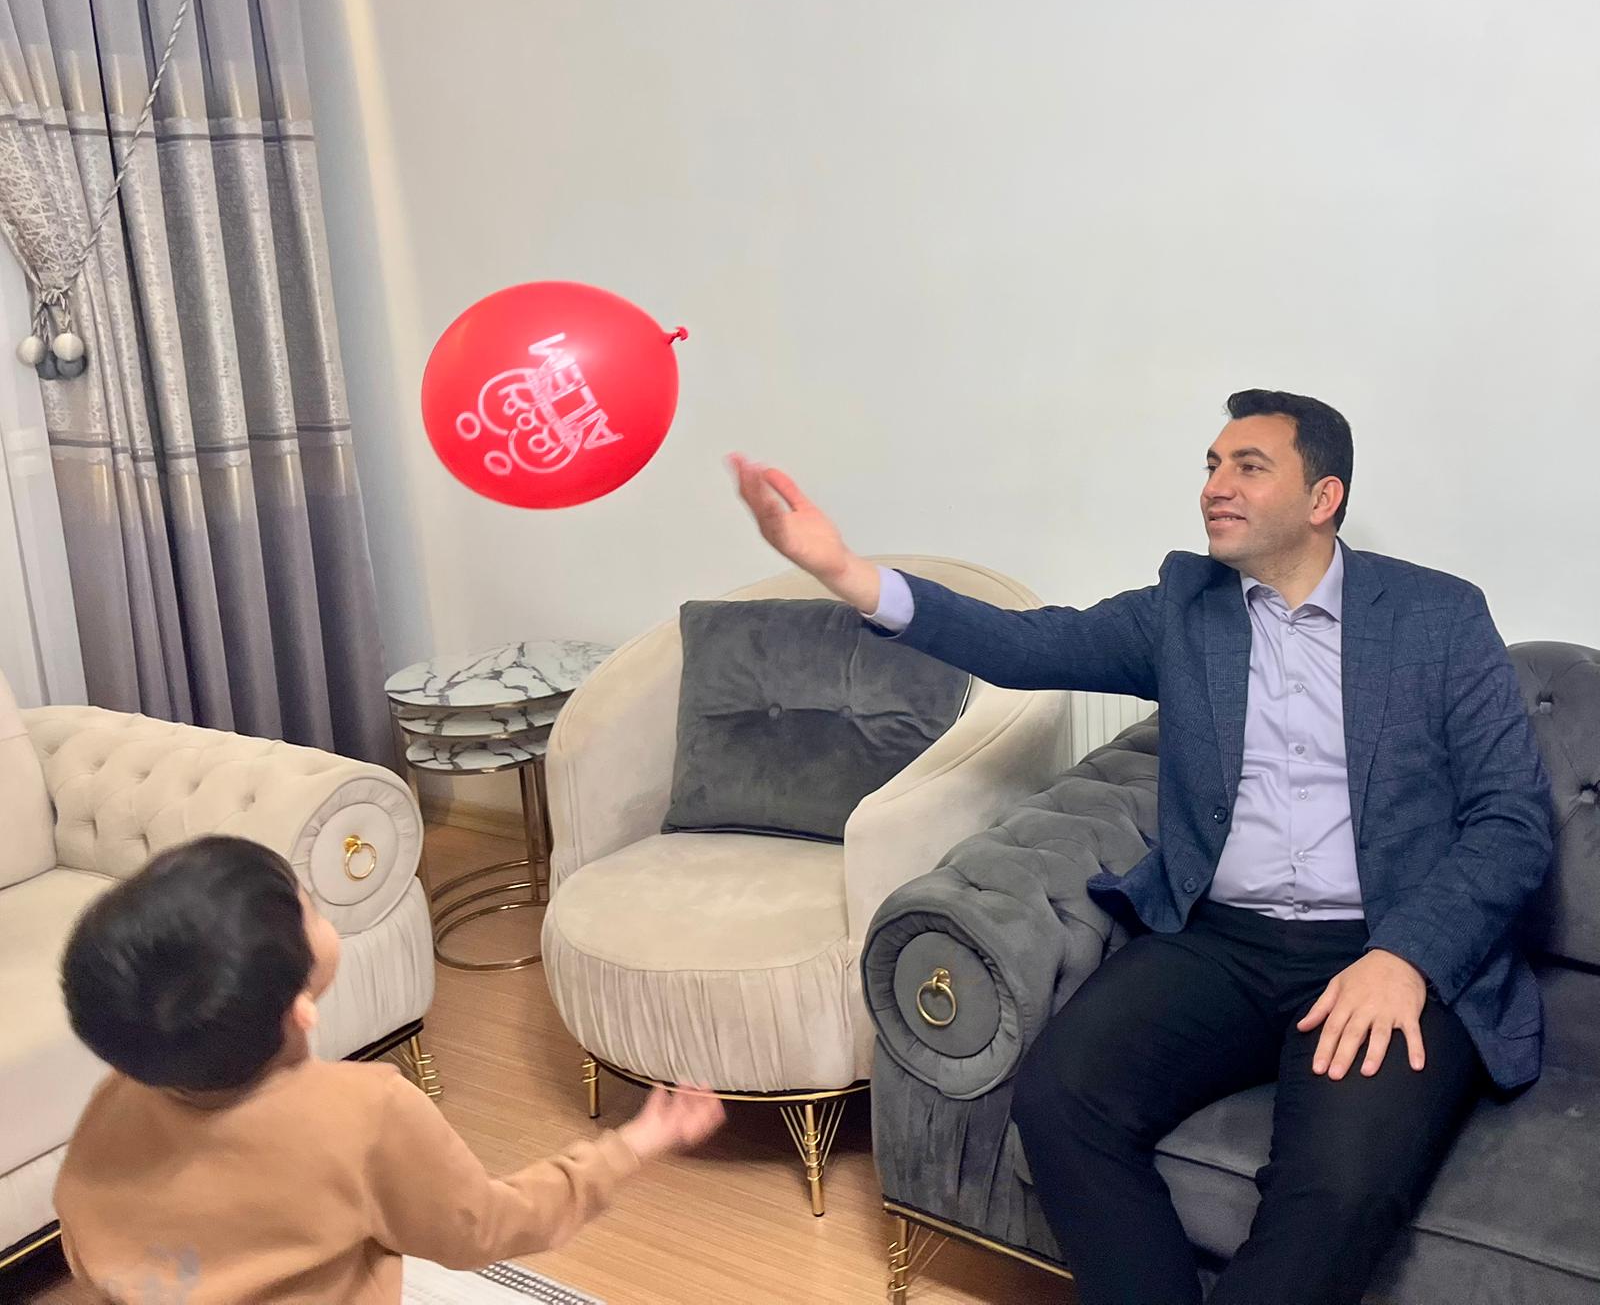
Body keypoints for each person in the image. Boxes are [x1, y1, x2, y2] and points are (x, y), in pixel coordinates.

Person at [730, 387, 1551, 1305]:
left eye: (1249, 466)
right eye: (1211, 465)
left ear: (1324, 498)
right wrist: (846, 571)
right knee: (1059, 1102)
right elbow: (1024, 645)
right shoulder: (1185, 608)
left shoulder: (1437, 618)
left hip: (1382, 947)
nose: (1215, 485)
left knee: (1335, 1191)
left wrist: (1407, 959)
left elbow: (1512, 820)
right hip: (1223, 941)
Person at [54, 835, 724, 1303]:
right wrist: (632, 1145)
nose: (316, 907)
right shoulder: (366, 1112)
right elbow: (484, 1226)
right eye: (310, 907)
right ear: (299, 1009)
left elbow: (88, 1248)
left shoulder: (115, 1098)